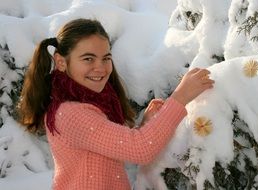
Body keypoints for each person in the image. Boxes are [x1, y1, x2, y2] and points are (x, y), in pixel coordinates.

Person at [17, 18, 214, 190]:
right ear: (61, 62)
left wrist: (145, 125)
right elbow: (140, 149)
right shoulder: (71, 112)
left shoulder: (86, 102)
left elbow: (112, 150)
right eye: (88, 58)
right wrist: (180, 98)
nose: (100, 68)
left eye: (106, 58)